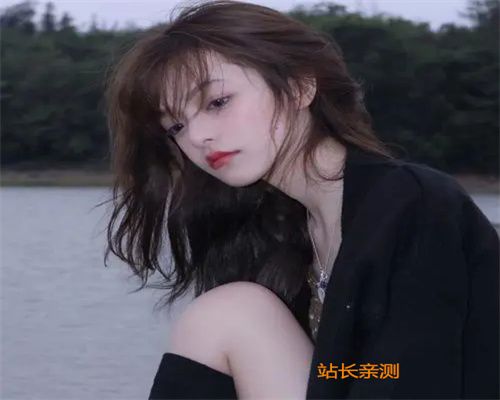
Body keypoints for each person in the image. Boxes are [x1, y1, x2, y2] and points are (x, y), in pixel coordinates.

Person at [103, 1, 499, 398]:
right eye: (176, 126)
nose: (197, 136)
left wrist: (330, 372)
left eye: (217, 102)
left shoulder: (413, 204)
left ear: (300, 86)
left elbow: (408, 373)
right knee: (225, 316)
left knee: (230, 313)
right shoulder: (278, 230)